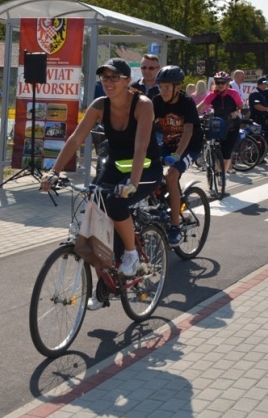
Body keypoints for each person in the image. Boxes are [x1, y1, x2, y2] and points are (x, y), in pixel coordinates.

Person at [40, 57, 162, 304]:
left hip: (145, 168)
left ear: (127, 81)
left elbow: (140, 147)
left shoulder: (143, 105)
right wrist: (54, 171)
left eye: (114, 77)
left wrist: (133, 183)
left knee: (116, 203)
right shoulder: (99, 105)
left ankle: (132, 255)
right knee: (93, 214)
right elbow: (75, 139)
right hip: (116, 166)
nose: (108, 82)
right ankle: (104, 286)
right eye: (105, 77)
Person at [152, 65, 201, 246]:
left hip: (189, 147)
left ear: (177, 87)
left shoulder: (187, 103)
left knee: (171, 174)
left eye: (167, 87)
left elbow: (188, 132)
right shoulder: (157, 101)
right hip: (167, 144)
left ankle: (175, 227)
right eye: (160, 87)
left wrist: (176, 156)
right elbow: (146, 124)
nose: (163, 91)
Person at [197, 71, 244, 178]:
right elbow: (200, 107)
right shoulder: (212, 94)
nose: (220, 85)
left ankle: (222, 174)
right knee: (218, 148)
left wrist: (235, 113)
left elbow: (241, 107)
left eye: (223, 83)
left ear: (227, 83)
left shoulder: (233, 93)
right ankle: (218, 168)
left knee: (227, 151)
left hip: (232, 124)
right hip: (218, 124)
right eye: (218, 82)